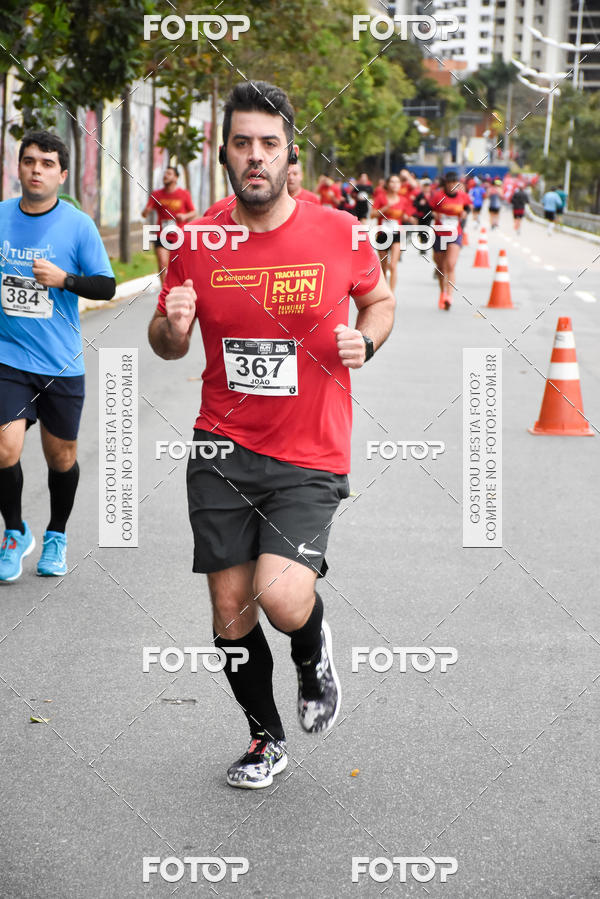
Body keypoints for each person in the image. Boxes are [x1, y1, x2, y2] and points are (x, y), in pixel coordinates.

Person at [148, 81, 394, 789]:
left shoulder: (340, 232)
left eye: (269, 143)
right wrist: (174, 327)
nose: (255, 156)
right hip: (221, 449)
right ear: (224, 152)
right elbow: (164, 341)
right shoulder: (196, 241)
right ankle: (265, 739)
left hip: (309, 451)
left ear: (290, 154)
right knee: (230, 611)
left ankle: (311, 653)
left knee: (282, 598)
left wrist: (367, 340)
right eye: (242, 143)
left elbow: (378, 299)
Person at [0, 131, 115, 581]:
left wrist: (64, 279)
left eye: (47, 164)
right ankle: (14, 533)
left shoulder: (78, 225)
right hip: (9, 356)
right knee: (4, 446)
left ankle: (56, 535)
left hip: (60, 363)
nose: (36, 170)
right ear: (19, 167)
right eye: (29, 161)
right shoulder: (2, 216)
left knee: (61, 457)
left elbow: (105, 285)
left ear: (62, 174)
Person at [142, 166, 196, 284]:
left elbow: (193, 212)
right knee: (162, 263)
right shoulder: (157, 194)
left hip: (180, 236)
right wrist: (146, 211)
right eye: (165, 173)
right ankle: (164, 291)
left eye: (169, 174)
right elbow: (144, 213)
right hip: (162, 235)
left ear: (176, 178)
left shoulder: (184, 194)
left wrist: (184, 216)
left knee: (179, 266)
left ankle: (180, 287)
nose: (165, 176)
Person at [430, 171, 470, 310]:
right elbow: (429, 210)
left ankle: (449, 296)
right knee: (441, 267)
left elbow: (467, 208)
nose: (452, 186)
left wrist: (465, 213)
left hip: (455, 233)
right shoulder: (438, 196)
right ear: (445, 184)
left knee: (451, 265)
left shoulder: (462, 196)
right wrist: (435, 214)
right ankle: (443, 292)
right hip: (439, 233)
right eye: (450, 183)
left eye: (455, 183)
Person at [371, 174, 416, 293]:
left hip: (397, 234)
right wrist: (385, 208)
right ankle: (384, 290)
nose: (395, 184)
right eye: (392, 182)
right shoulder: (381, 197)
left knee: (393, 265)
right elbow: (372, 214)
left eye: (397, 182)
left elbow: (405, 215)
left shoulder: (403, 200)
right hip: (383, 234)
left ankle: (391, 293)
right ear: (387, 184)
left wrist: (409, 218)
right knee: (384, 266)